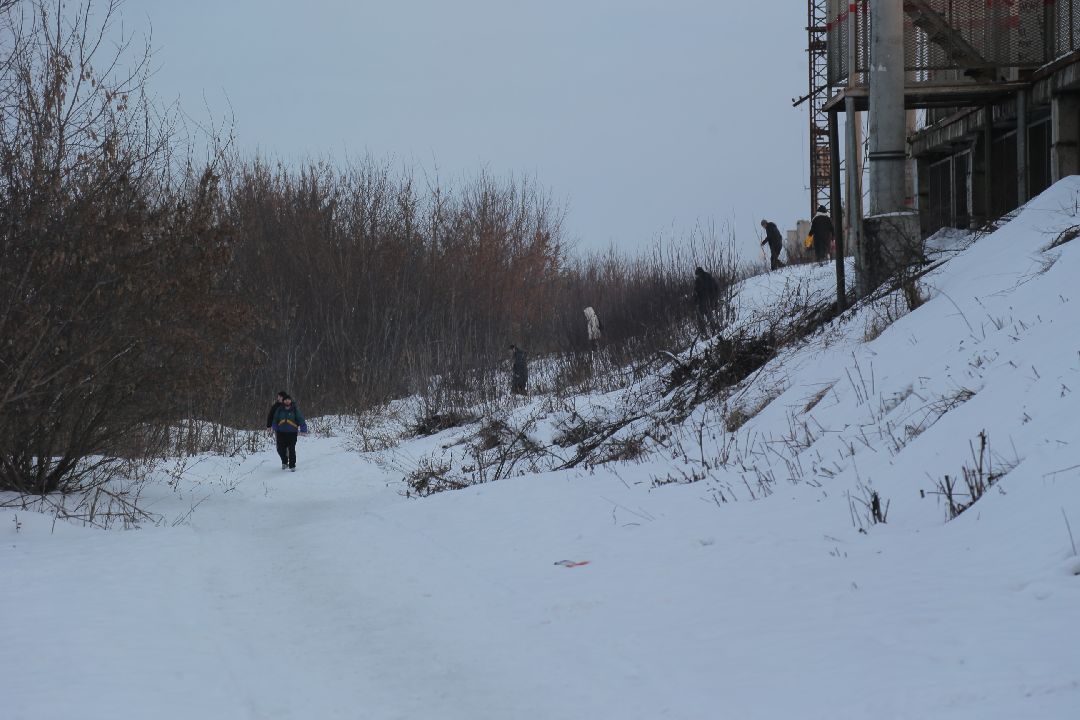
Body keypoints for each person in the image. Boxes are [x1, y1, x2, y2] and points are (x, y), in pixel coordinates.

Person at [270, 394, 308, 471]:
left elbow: (301, 419)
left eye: (288, 399)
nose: (287, 401)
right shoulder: (279, 410)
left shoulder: (295, 409)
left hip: (292, 433)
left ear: (291, 401)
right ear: (283, 401)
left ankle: (292, 465)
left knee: (291, 449)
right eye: (285, 400)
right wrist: (275, 427)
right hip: (281, 433)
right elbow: (275, 419)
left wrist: (303, 430)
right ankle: (284, 461)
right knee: (281, 449)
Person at [693, 266, 720, 332]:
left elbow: (715, 289)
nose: (697, 277)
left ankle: (713, 330)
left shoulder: (707, 278)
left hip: (708, 301)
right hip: (702, 302)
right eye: (696, 276)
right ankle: (703, 332)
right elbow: (696, 292)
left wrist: (714, 299)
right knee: (701, 317)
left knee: (709, 316)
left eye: (697, 275)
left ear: (700, 273)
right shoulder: (698, 281)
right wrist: (696, 301)